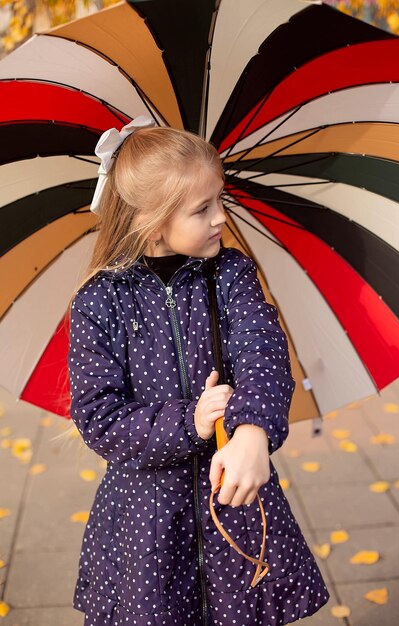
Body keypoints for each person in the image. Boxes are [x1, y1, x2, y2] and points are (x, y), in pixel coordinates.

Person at [68, 115, 330, 626]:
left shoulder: (230, 274)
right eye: (202, 208)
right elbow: (98, 416)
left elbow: (264, 353)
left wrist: (252, 431)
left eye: (220, 199)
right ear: (151, 219)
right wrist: (188, 421)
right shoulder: (100, 301)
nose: (220, 218)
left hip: (233, 501)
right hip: (147, 519)